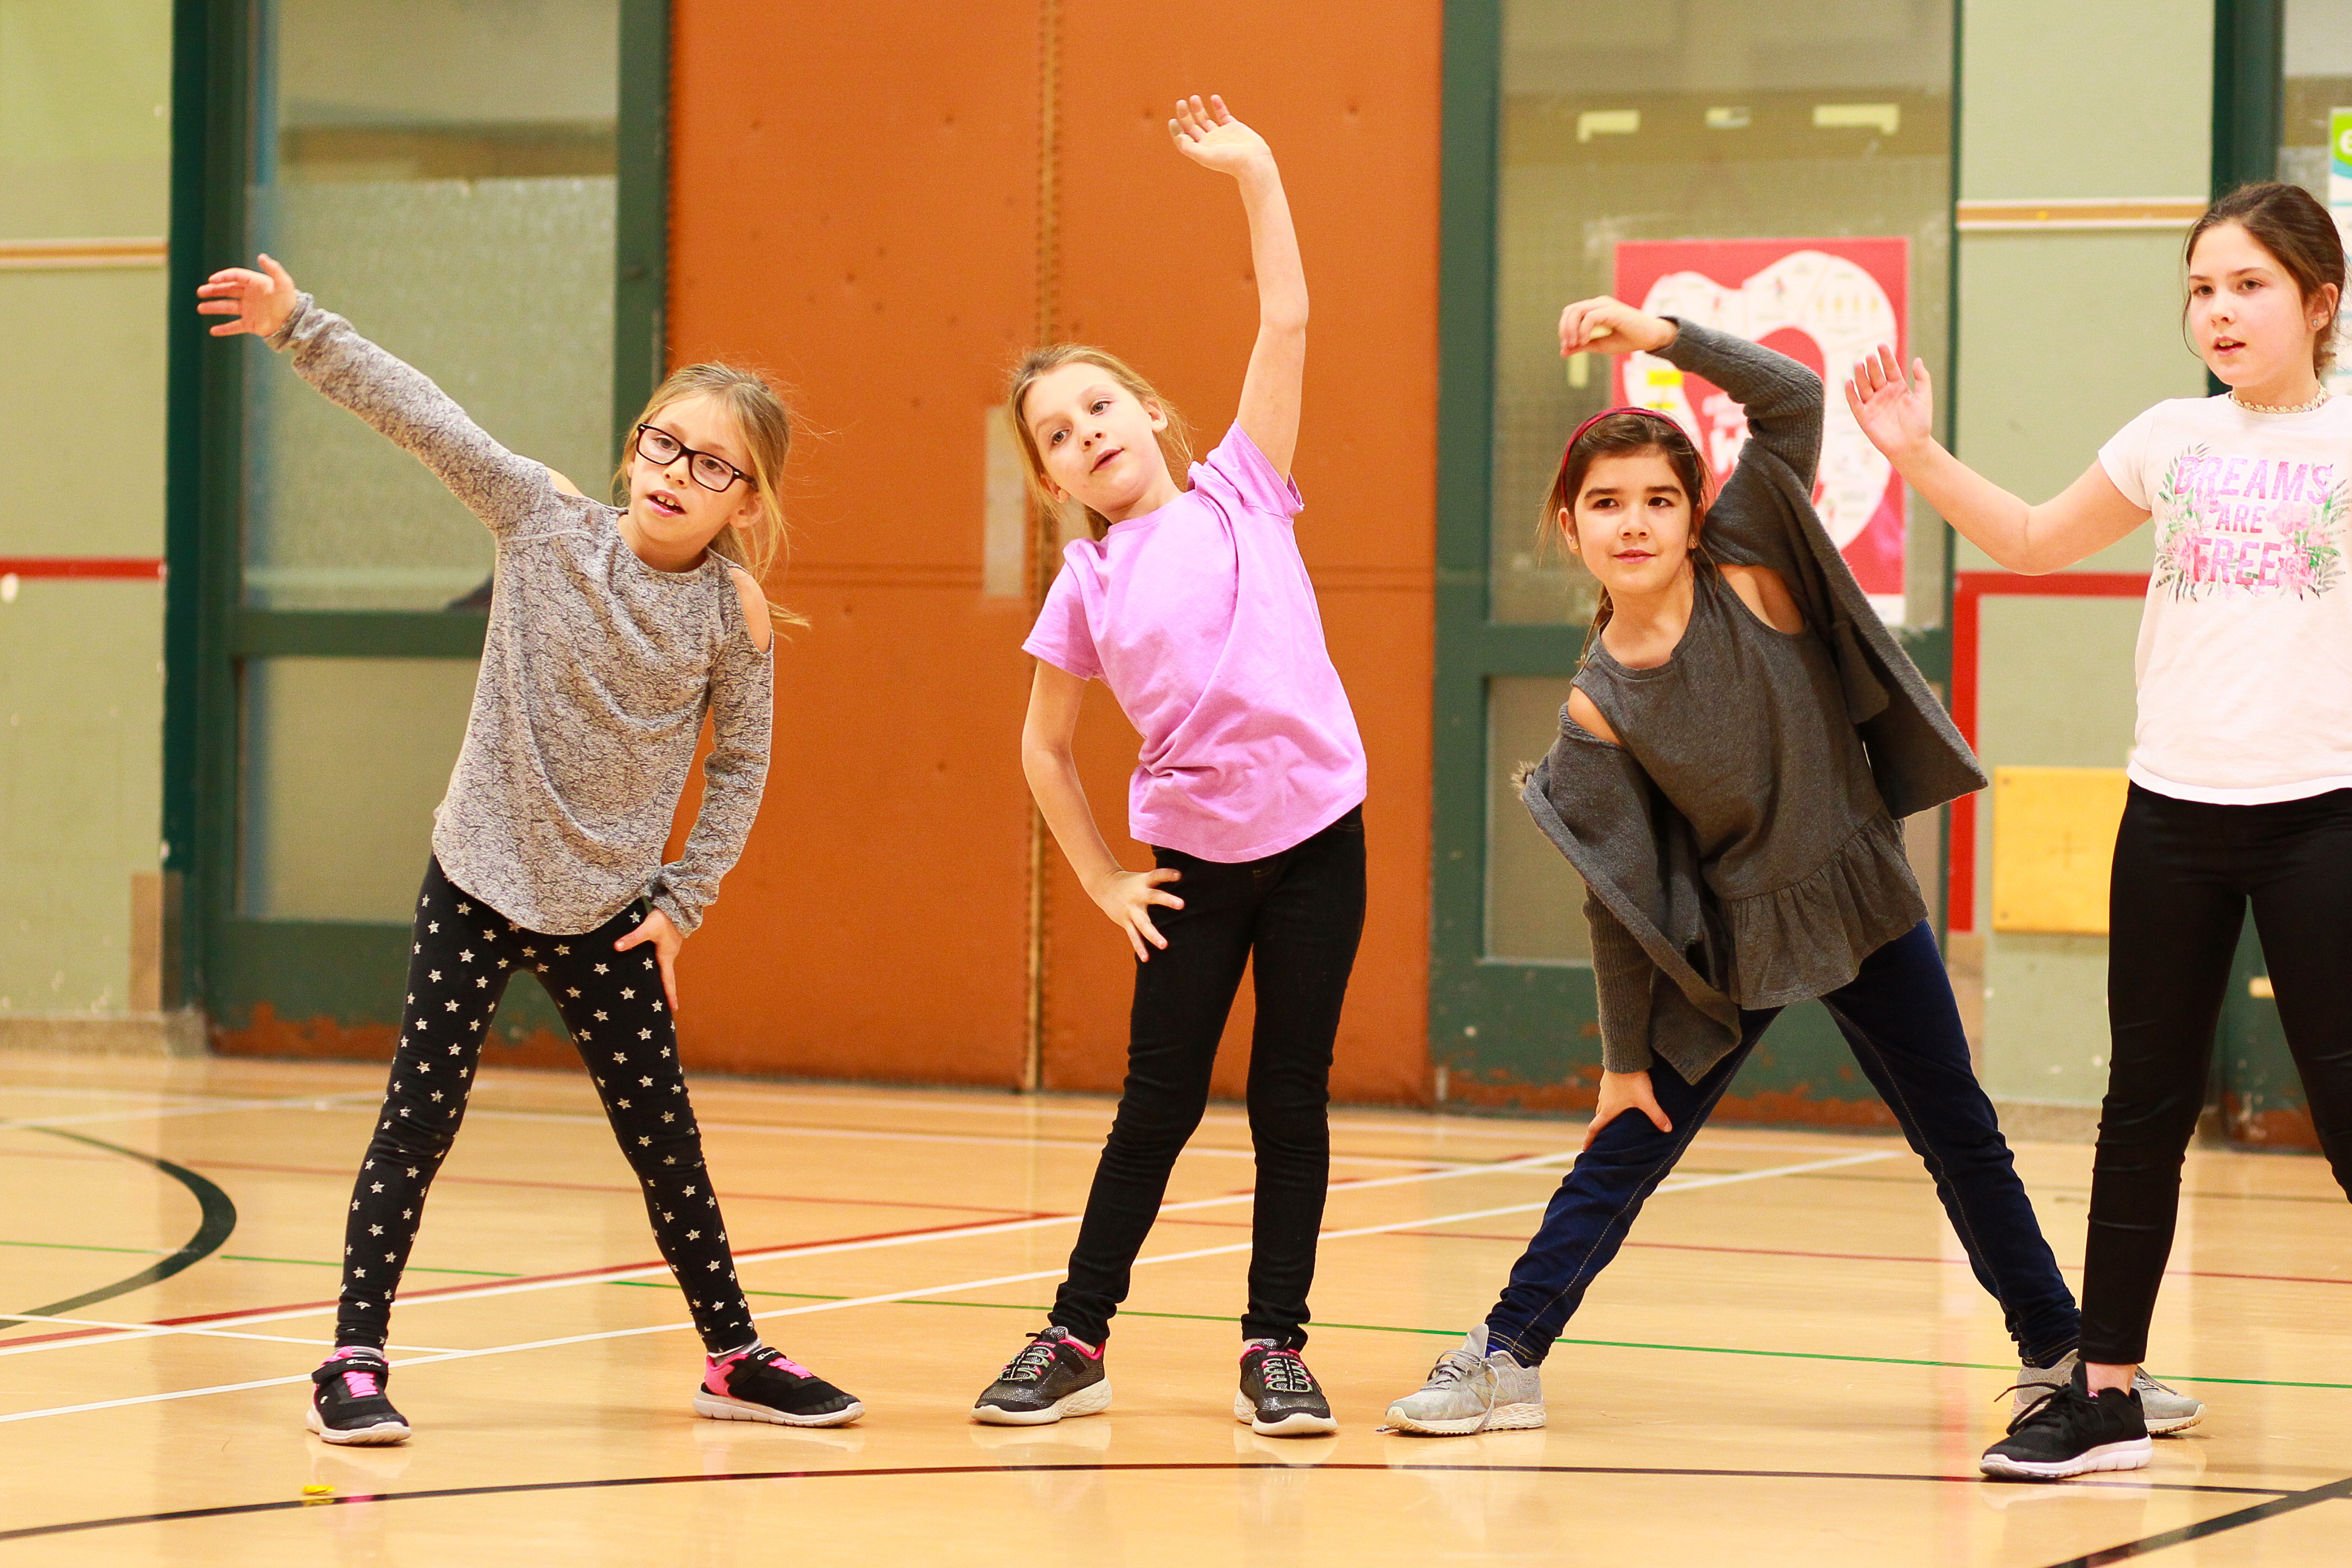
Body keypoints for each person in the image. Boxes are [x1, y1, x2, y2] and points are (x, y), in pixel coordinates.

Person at [1381, 296, 2203, 1456]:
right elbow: (1616, 907)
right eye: (1606, 505)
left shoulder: (1755, 553)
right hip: (1735, 940)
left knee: (1960, 1132)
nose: (1634, 523)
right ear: (1565, 525)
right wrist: (1624, 1062)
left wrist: (1654, 334)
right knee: (1630, 1141)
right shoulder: (1594, 709)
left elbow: (1796, 398)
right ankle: (1505, 1356)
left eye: (1659, 500)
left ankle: (2068, 1357)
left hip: (1858, 891)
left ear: (1694, 512)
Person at [198, 253, 861, 1443]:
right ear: (634, 446)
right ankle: (351, 1361)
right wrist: (300, 326)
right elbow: (423, 415)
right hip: (478, 881)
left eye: (715, 467)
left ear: (746, 504)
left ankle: (732, 1355)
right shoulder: (540, 523)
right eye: (666, 444)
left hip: (610, 909)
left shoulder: (731, 618)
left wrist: (684, 899)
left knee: (665, 1140)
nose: (679, 474)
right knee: (418, 1118)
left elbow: (744, 767)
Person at [1849, 180, 2347, 1480]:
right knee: (2143, 1106)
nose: (2219, 310)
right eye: (2201, 287)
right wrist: (1912, 450)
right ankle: (2107, 1392)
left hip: (2325, 817)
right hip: (2175, 809)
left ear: (2321, 304)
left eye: (2248, 286)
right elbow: (2025, 539)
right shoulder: (2171, 436)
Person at [970, 96, 1366, 1438]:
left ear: (1147, 410)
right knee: (1158, 1102)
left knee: (1288, 1099)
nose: (1087, 435)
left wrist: (1259, 171)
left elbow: (1290, 323)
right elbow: (1042, 747)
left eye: (1098, 407)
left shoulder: (1245, 488)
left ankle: (1275, 1349)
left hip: (1318, 840)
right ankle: (1076, 1335)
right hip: (1194, 865)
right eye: (1059, 438)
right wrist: (1099, 881)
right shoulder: (1085, 580)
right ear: (1056, 482)